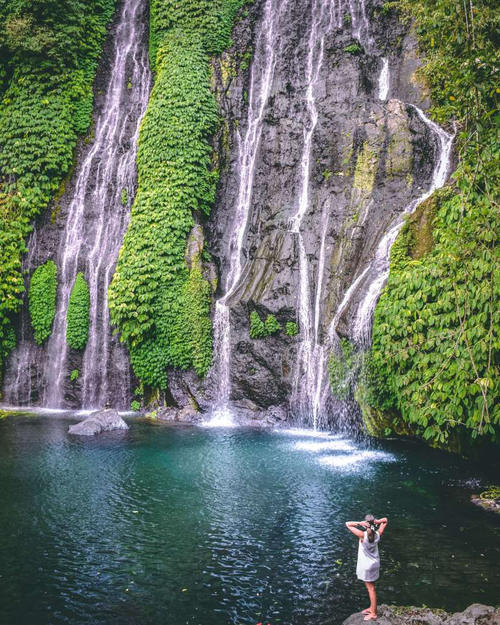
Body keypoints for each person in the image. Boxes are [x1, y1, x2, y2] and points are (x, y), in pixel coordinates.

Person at [345, 514, 388, 621]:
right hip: (374, 564)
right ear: (374, 524)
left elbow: (347, 524)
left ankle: (373, 613)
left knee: (371, 589)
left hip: (366, 566)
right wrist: (377, 522)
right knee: (371, 587)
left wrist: (360, 523)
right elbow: (385, 520)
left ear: (366, 524)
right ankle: (371, 608)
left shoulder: (362, 535)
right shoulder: (378, 533)